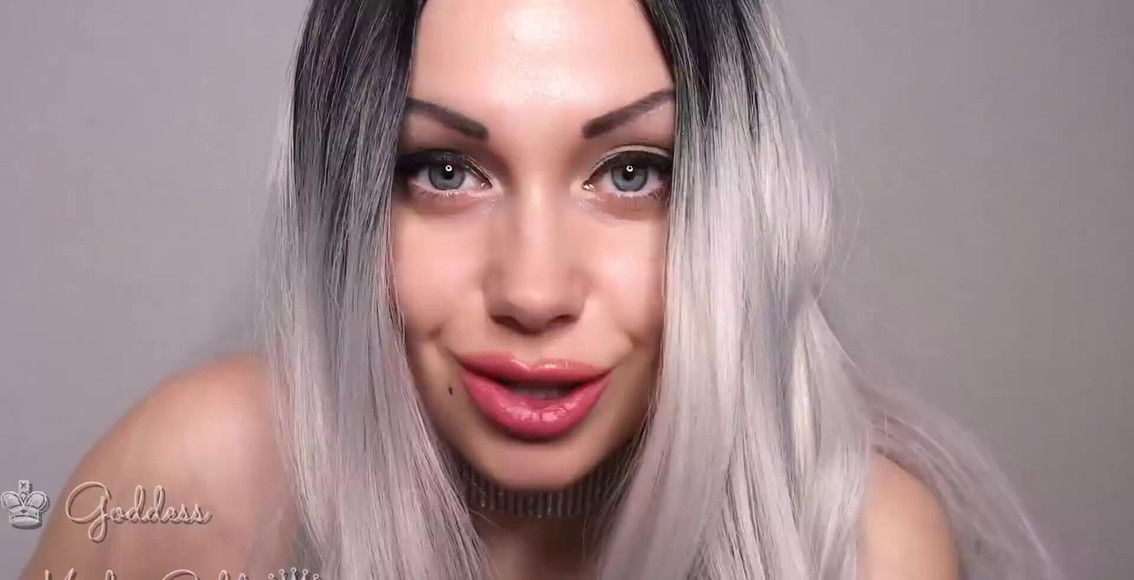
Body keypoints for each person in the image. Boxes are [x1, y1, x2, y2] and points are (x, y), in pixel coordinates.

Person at [21, 1, 1060, 578]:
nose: (532, 289)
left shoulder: (863, 550)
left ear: (741, 206)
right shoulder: (203, 482)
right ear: (351, 206)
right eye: (444, 171)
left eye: (632, 173)